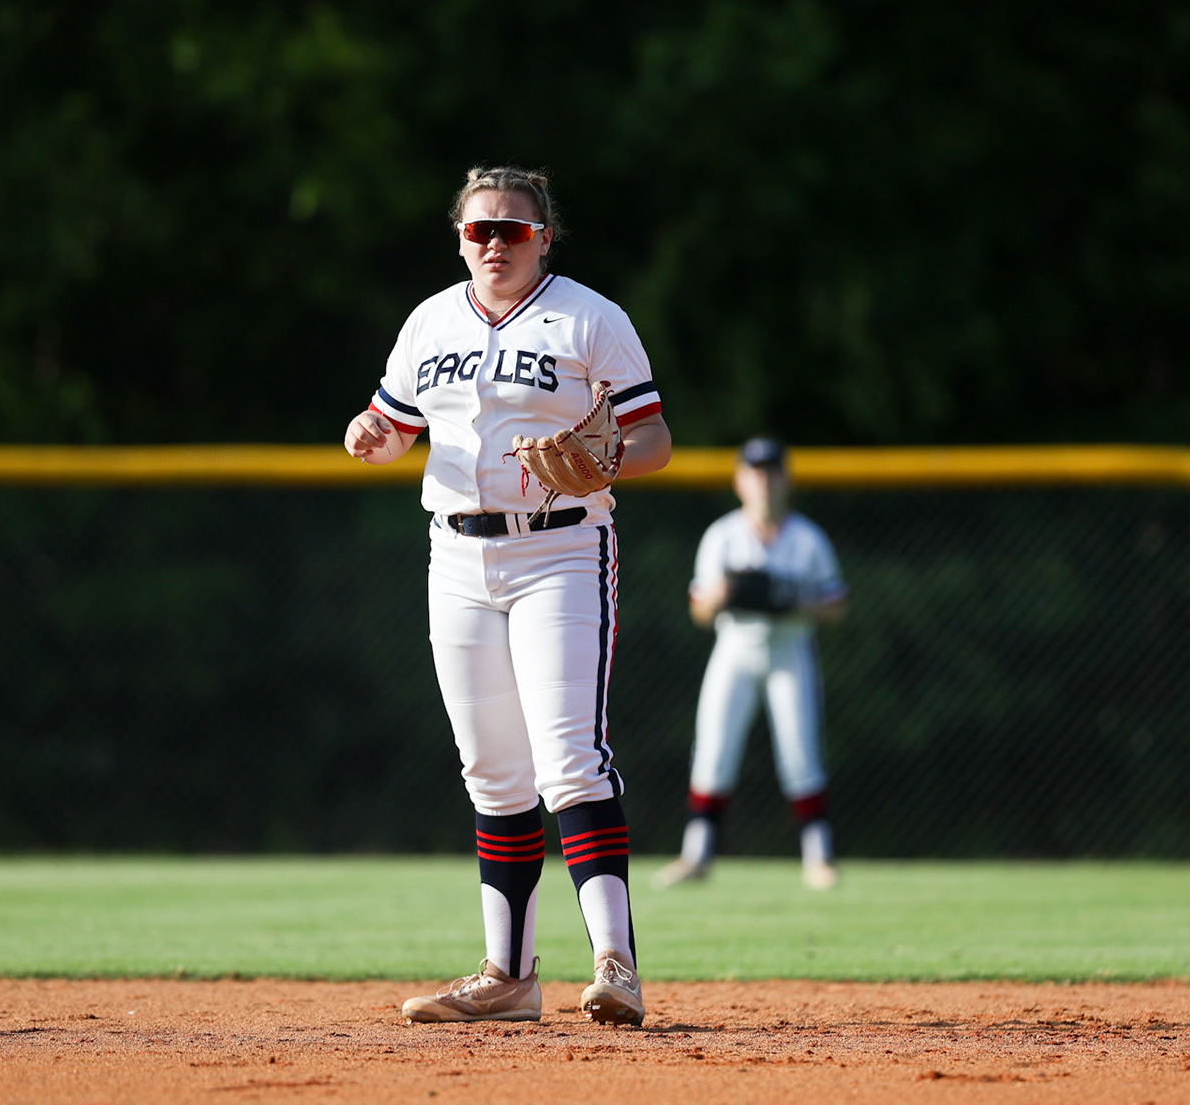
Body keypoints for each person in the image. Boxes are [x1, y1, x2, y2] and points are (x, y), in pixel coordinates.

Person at [344, 165, 671, 1026]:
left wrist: (605, 461)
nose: (495, 242)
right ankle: (509, 976)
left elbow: (655, 439)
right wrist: (370, 433)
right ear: (459, 237)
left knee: (570, 759)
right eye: (479, 229)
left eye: (513, 230)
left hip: (560, 550)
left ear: (543, 238)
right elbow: (395, 428)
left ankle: (616, 965)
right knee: (492, 773)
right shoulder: (428, 322)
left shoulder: (590, 319)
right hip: (454, 556)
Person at [653, 437, 849, 891]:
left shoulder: (807, 539)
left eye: (772, 471)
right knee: (713, 751)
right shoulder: (723, 535)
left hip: (789, 650)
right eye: (755, 472)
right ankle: (696, 855)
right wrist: (721, 596)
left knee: (800, 754)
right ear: (741, 481)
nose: (764, 480)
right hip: (735, 649)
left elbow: (837, 606)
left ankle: (819, 858)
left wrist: (797, 600)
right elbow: (699, 611)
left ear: (787, 479)